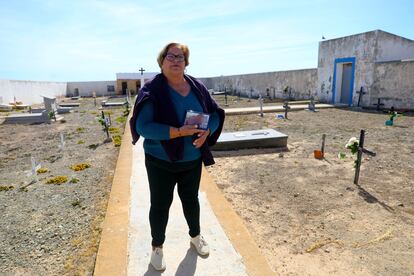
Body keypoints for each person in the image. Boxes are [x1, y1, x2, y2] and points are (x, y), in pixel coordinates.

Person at [129, 42, 225, 271]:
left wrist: (207, 132)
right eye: (170, 56)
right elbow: (143, 127)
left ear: (186, 62)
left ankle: (195, 236)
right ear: (161, 61)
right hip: (160, 161)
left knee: (191, 200)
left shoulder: (197, 87)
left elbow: (215, 114)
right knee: (160, 205)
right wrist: (178, 132)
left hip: (191, 160)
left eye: (180, 57)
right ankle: (157, 248)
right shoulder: (152, 91)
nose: (175, 60)